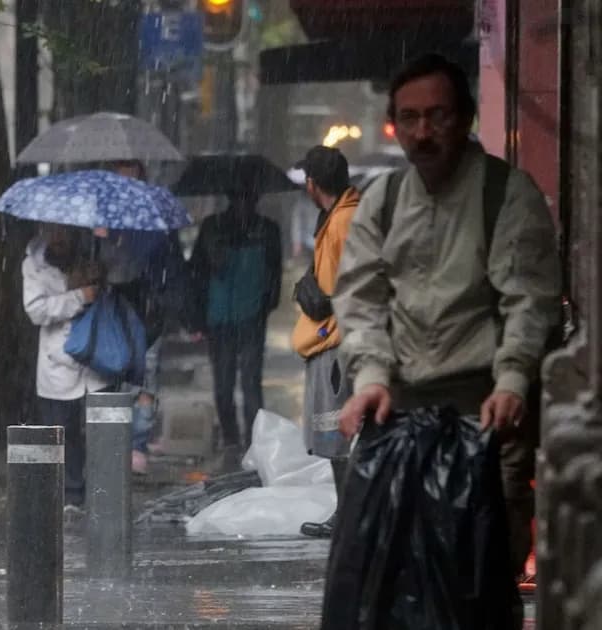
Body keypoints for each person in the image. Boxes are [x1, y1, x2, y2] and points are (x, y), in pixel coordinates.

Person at [334, 53, 561, 579]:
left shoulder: (506, 195)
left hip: (487, 415)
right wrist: (369, 377)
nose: (423, 131)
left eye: (437, 115)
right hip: (401, 415)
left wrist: (511, 381)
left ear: (464, 119)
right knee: (395, 578)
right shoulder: (382, 201)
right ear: (395, 125)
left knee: (481, 576)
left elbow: (527, 299)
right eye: (409, 118)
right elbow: (360, 298)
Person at [98, 159, 186, 475]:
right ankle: (116, 442)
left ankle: (136, 444)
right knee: (115, 376)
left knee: (146, 378)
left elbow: (171, 264)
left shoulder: (155, 219)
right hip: (115, 310)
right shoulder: (103, 219)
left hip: (148, 310)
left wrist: (168, 304)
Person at [290, 146, 359, 538]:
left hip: (335, 340)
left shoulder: (341, 222)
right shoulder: (342, 215)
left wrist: (311, 292)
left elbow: (335, 291)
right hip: (340, 336)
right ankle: (349, 515)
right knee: (339, 433)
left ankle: (349, 519)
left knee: (338, 433)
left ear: (314, 184)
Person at [185, 193, 283, 450]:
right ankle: (254, 440)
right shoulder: (268, 229)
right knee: (250, 382)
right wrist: (265, 307)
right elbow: (275, 276)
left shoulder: (212, 226)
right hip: (251, 316)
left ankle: (231, 439)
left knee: (224, 381)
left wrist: (196, 316)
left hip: (220, 317)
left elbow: (196, 272)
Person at [23, 224, 107, 511]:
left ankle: (102, 489)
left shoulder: (92, 255)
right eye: (53, 231)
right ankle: (71, 494)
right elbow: (36, 311)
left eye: (65, 232)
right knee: (64, 430)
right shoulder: (34, 265)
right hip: (56, 360)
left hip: (96, 353)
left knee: (104, 426)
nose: (59, 237)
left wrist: (98, 280)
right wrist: (78, 297)